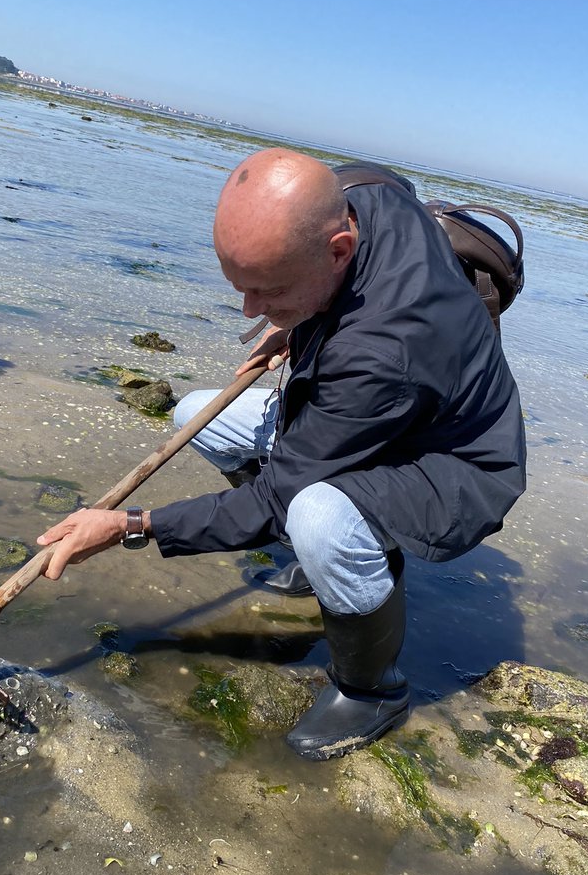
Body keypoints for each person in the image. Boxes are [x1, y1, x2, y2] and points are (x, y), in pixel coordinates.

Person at [36, 148, 526, 760]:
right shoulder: (365, 189)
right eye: (243, 287)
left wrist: (130, 526)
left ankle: (372, 691)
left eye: (268, 289)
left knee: (315, 515)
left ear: (339, 251)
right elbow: (384, 212)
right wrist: (293, 317)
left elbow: (276, 496)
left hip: (451, 462)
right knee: (196, 413)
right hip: (371, 416)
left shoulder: (383, 354)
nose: (249, 310)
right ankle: (327, 557)